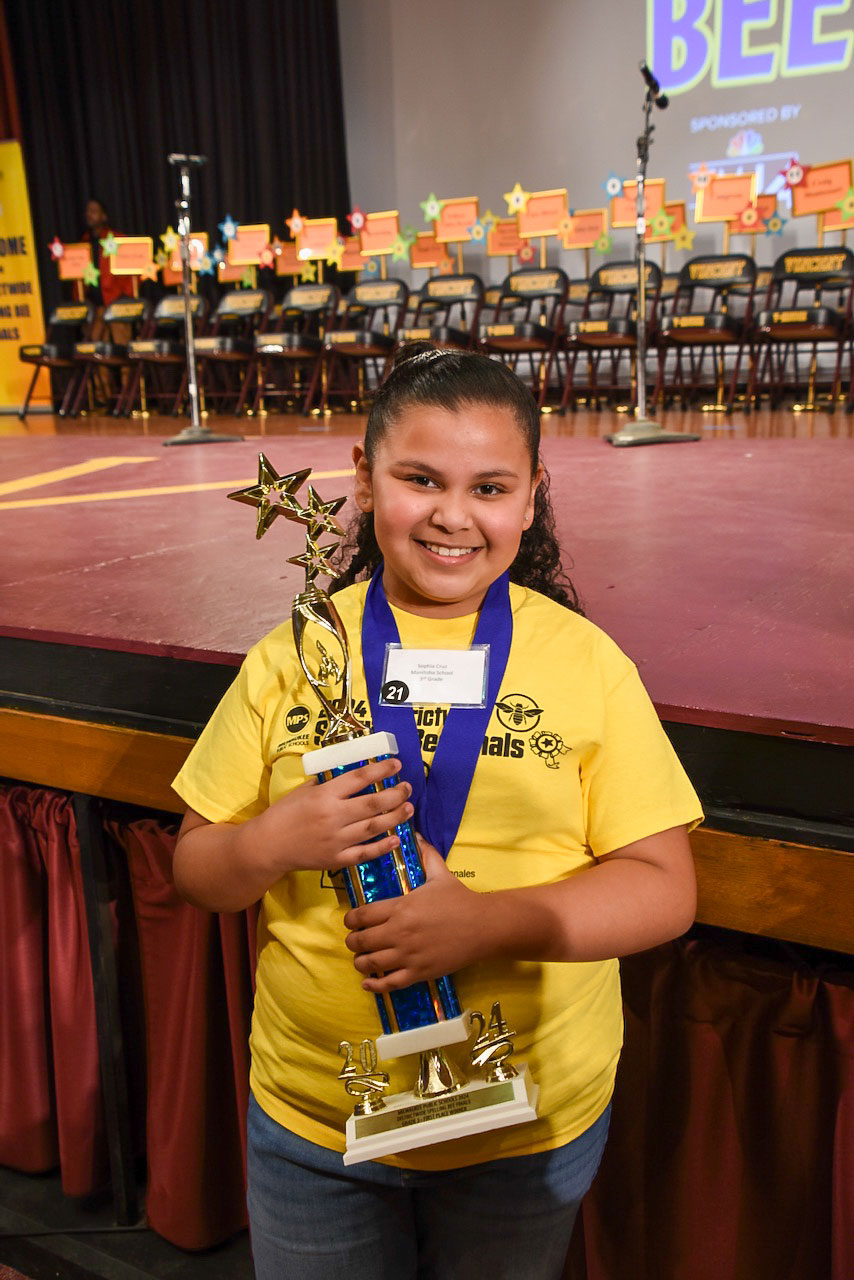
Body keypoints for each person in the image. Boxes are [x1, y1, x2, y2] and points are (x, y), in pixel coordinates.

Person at [171, 344, 703, 1280]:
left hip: (524, 1121)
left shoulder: (586, 665)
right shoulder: (298, 653)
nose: (453, 515)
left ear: (532, 497)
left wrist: (483, 923)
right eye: (419, 479)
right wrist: (268, 841)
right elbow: (196, 865)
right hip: (317, 1119)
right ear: (364, 478)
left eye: (489, 487)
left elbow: (664, 889)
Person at [80, 198, 131, 404]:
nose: (90, 215)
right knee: (97, 353)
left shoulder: (116, 239)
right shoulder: (83, 243)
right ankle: (104, 399)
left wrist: (125, 298)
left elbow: (129, 272)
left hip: (117, 304)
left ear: (104, 216)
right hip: (96, 307)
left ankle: (128, 397)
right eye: (88, 211)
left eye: (94, 211)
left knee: (123, 350)